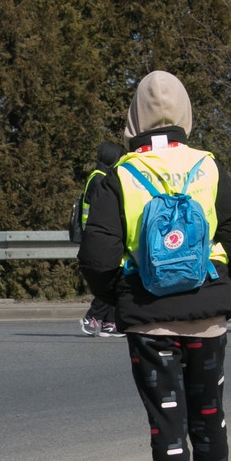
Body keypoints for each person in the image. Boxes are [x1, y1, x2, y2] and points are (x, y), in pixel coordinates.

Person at [78, 71, 231, 461]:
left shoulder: (122, 175)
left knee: (169, 422)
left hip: (151, 321)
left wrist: (123, 297)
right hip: (208, 317)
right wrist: (216, 280)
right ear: (186, 113)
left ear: (133, 117)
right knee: (210, 416)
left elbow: (96, 258)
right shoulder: (208, 167)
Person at [74, 141, 125, 338]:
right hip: (99, 238)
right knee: (111, 279)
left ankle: (110, 323)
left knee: (118, 277)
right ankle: (92, 317)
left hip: (99, 236)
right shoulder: (100, 179)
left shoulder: (100, 176)